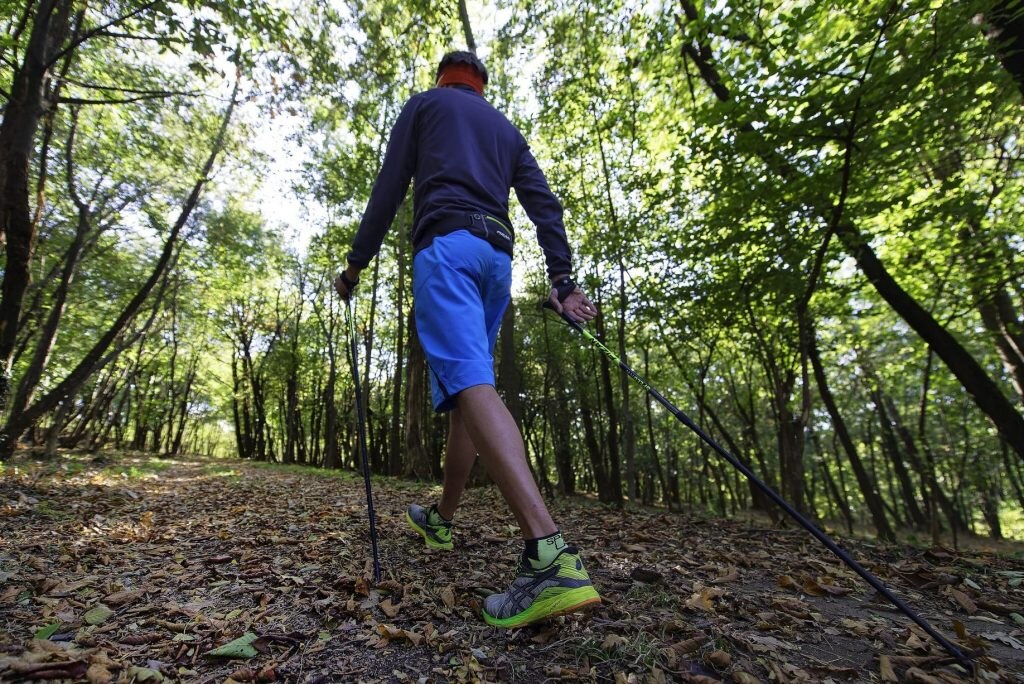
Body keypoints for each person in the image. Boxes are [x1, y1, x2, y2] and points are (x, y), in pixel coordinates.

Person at [334, 50, 600, 628]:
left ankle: (548, 553)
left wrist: (355, 266)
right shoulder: (505, 129)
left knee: (470, 384)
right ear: (482, 85)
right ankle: (443, 520)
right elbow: (543, 204)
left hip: (447, 248)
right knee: (465, 393)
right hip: (494, 261)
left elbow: (388, 188)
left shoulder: (425, 106)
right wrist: (562, 281)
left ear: (444, 78)